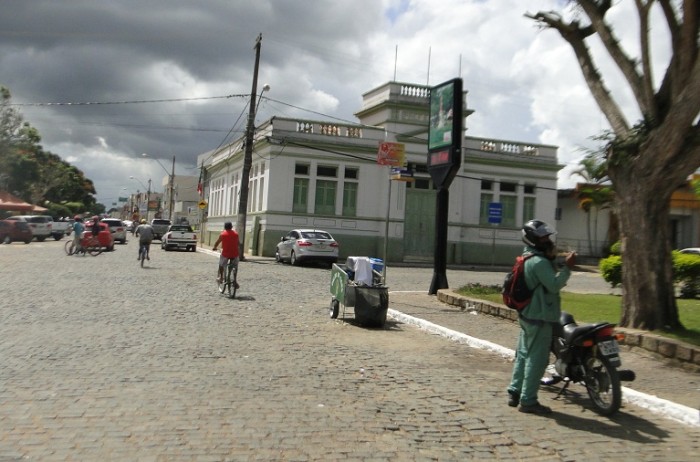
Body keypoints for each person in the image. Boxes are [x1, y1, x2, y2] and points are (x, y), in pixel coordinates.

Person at [507, 219, 576, 415]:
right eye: (542, 237)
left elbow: (548, 263)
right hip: (539, 316)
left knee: (522, 354)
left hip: (527, 314)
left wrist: (558, 259)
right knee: (537, 360)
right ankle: (528, 401)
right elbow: (554, 285)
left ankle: (514, 390)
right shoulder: (538, 263)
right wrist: (568, 268)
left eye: (547, 236)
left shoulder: (529, 257)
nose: (547, 239)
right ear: (533, 239)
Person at [212, 221, 240, 288]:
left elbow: (217, 242)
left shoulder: (222, 234)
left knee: (221, 265)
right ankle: (235, 281)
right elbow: (238, 243)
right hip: (235, 254)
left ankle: (221, 278)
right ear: (231, 227)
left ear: (224, 227)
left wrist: (214, 247)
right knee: (235, 267)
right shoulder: (236, 234)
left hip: (225, 254)